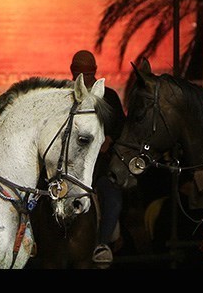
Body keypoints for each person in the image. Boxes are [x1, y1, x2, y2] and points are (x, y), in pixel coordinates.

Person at [68, 50, 126, 267]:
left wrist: (109, 138)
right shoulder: (67, 97)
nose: (86, 80)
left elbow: (122, 126)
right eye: (81, 75)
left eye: (89, 75)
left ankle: (102, 244)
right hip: (71, 169)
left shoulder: (108, 97)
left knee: (113, 198)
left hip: (100, 168)